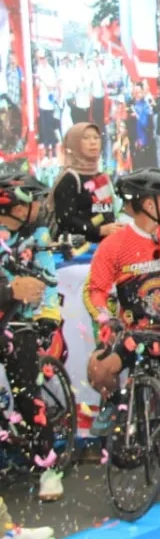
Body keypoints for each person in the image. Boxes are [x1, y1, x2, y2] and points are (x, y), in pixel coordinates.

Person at [85, 168, 160, 505]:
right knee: (99, 368)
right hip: (135, 332)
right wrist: (107, 319)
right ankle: (111, 400)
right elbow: (95, 292)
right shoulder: (115, 245)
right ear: (145, 203)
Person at [0, 175, 65, 501]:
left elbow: (48, 277)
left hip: (21, 322)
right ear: (16, 205)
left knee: (28, 394)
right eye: (35, 200)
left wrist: (49, 315)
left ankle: (47, 469)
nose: (41, 207)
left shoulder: (36, 235)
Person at [52, 122, 121, 243]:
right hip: (79, 255)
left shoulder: (101, 176)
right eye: (86, 138)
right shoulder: (70, 178)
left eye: (96, 137)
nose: (93, 142)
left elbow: (106, 212)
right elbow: (65, 220)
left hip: (106, 247)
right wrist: (99, 230)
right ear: (74, 143)